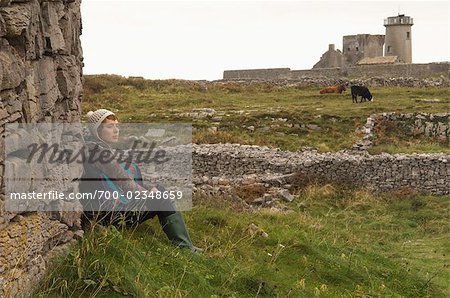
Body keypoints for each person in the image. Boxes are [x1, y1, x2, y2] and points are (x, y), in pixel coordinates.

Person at [80, 108, 201, 253]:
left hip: (105, 211)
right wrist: (150, 196)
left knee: (158, 190)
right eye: (110, 126)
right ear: (97, 131)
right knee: (161, 197)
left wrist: (149, 187)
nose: (116, 130)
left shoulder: (95, 148)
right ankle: (185, 247)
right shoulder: (101, 154)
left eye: (117, 126)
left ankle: (185, 244)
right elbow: (126, 183)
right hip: (112, 216)